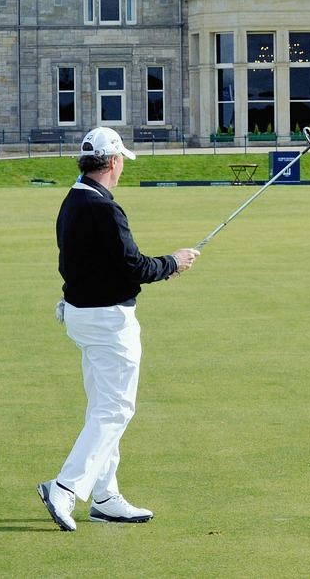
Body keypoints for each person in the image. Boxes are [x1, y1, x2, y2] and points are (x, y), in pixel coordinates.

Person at [38, 127, 201, 531]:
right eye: (122, 160)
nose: (122, 165)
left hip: (82, 316)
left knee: (102, 407)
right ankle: (65, 487)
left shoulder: (73, 200)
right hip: (108, 320)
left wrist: (164, 266)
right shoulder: (104, 208)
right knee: (116, 409)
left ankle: (106, 496)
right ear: (113, 162)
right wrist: (173, 263)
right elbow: (134, 266)